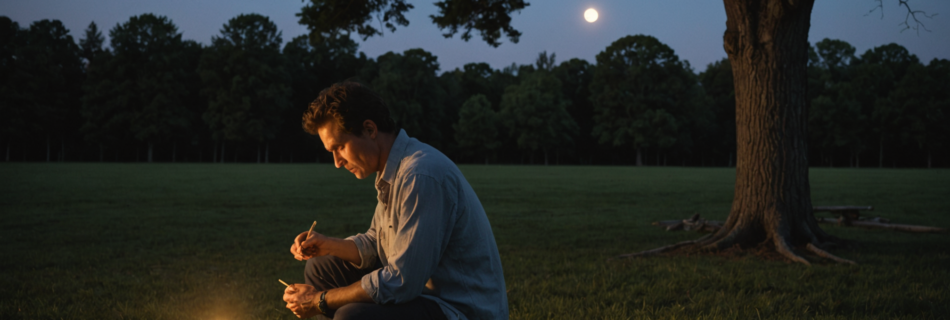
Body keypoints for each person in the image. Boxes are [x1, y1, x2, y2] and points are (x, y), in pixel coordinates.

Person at [283, 82, 508, 320]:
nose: (337, 162)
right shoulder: (392, 170)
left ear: (369, 129)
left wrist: (320, 299)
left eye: (339, 147)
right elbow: (376, 244)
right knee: (321, 267)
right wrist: (327, 245)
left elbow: (402, 281)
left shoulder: (420, 175)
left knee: (354, 316)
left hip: (457, 308)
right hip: (423, 296)